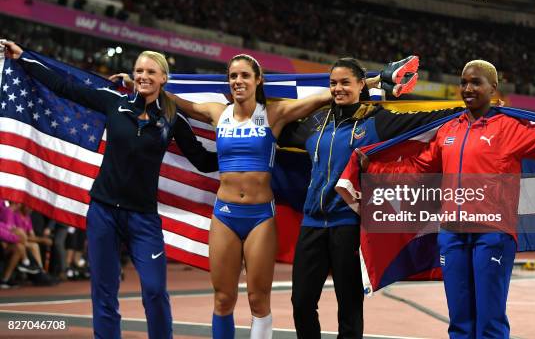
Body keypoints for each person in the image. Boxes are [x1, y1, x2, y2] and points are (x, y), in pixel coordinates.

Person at [114, 53, 354, 339]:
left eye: (244, 76)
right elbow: (177, 102)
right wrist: (136, 82)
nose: (238, 81)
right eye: (233, 76)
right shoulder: (218, 112)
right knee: (223, 299)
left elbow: (324, 96)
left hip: (261, 217)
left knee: (257, 300)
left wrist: (373, 81)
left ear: (258, 80)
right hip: (225, 215)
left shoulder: (274, 114)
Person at [2, 40, 219, 339]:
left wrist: (243, 151)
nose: (143, 75)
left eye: (150, 71)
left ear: (163, 79)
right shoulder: (114, 102)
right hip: (103, 212)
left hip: (143, 219)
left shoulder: (171, 119)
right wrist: (24, 58)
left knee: (155, 291)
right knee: (104, 292)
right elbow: (65, 87)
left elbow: (203, 160)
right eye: (139, 70)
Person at [357, 60, 535, 339]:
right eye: (464, 82)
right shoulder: (448, 130)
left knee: (489, 321)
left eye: (475, 82)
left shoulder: (509, 128)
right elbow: (417, 168)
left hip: (492, 234)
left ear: (493, 88)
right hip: (452, 234)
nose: (468, 88)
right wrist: (374, 169)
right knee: (459, 320)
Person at [277, 57, 465, 338]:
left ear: (361, 85)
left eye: (345, 83)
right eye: (333, 83)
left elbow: (425, 119)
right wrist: (318, 99)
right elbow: (278, 121)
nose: (338, 88)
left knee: (349, 307)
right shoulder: (315, 123)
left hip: (348, 226)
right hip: (312, 226)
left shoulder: (375, 121)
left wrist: (468, 110)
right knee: (301, 303)